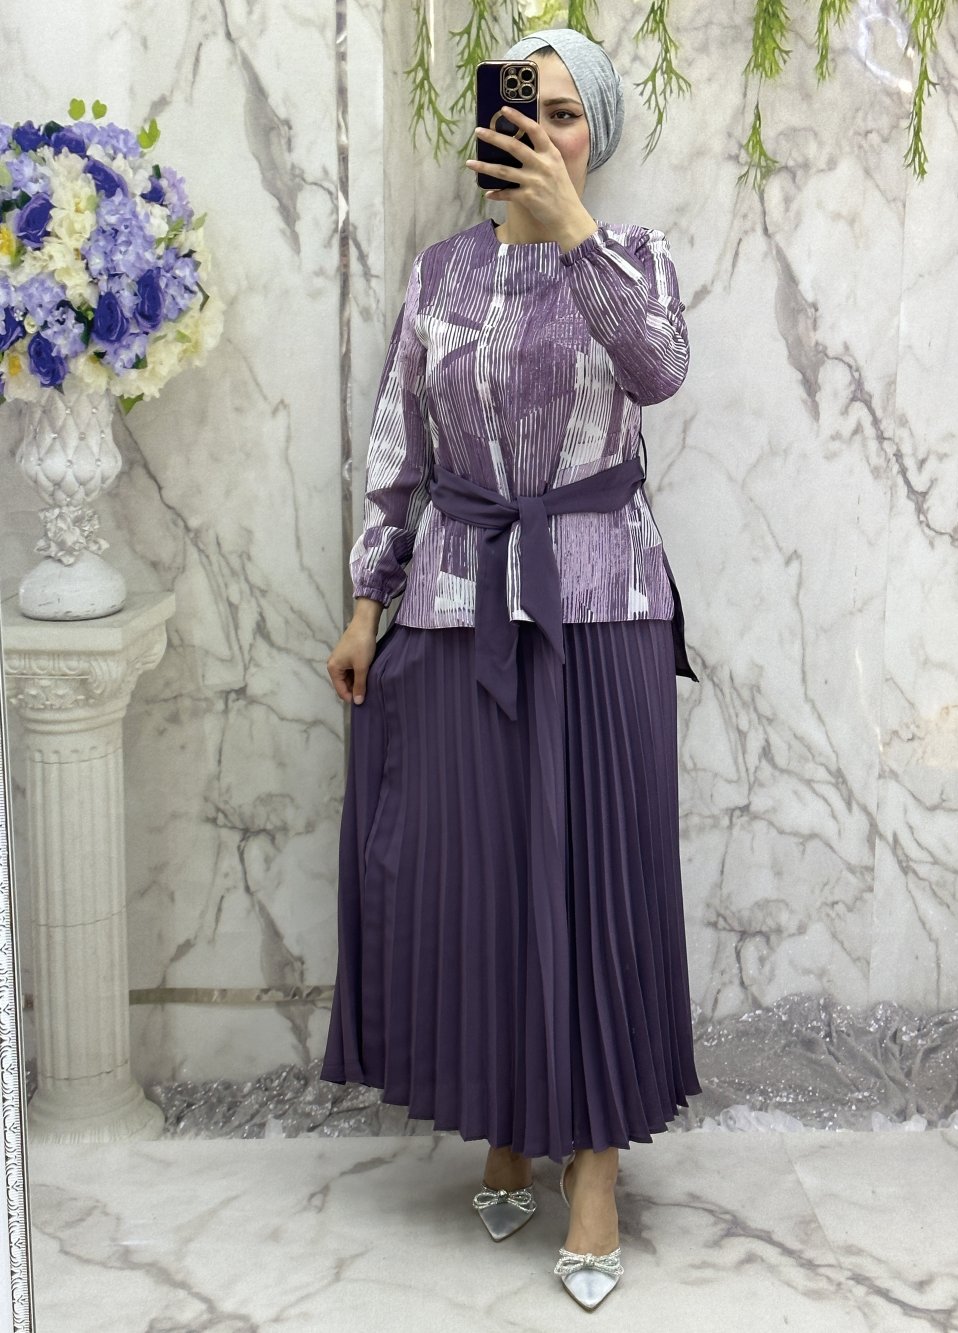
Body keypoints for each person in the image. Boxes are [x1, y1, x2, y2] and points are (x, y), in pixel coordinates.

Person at [321, 26, 702, 1311]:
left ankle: (592, 1173)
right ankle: (501, 1123)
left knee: (595, 889)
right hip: (452, 606)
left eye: (566, 111)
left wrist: (573, 230)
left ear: (598, 133)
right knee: (479, 884)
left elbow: (658, 370)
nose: (540, 128)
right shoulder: (438, 273)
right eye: (519, 107)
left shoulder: (635, 258)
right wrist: (367, 604)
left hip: (600, 608)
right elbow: (399, 452)